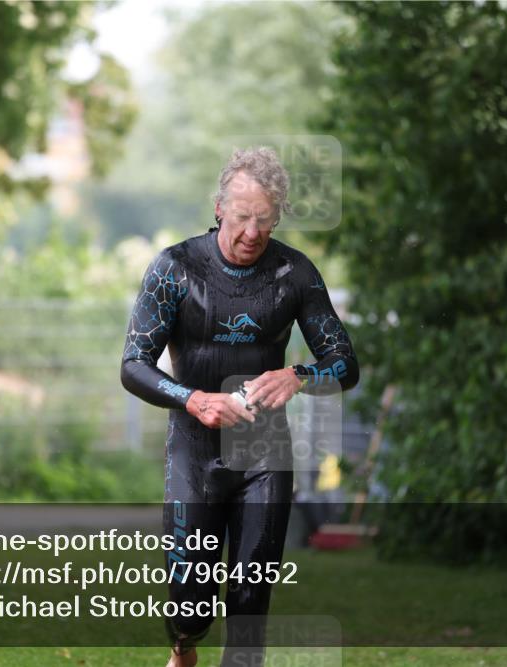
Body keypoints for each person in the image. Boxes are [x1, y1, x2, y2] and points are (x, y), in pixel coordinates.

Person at [120, 146, 359, 667]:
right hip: (194, 450)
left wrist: (299, 376)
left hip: (263, 451)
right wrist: (193, 399)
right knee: (189, 604)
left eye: (265, 221)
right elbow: (133, 365)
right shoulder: (174, 268)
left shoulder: (295, 274)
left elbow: (345, 362)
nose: (252, 231)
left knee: (250, 599)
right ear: (219, 207)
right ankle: (183, 650)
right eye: (243, 216)